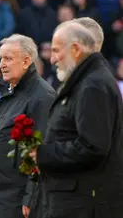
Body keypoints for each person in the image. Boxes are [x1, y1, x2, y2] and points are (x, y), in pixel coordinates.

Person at [29, 22, 123, 218]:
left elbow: (93, 147)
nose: (52, 58)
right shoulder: (85, 81)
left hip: (81, 204)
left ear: (76, 49)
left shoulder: (92, 86)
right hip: (72, 200)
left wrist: (44, 154)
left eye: (56, 50)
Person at [0, 34, 56, 218]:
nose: (1, 65)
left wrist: (31, 198)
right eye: (0, 58)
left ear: (26, 61)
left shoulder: (42, 97)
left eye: (8, 58)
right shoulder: (12, 92)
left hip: (11, 203)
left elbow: (42, 152)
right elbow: (6, 141)